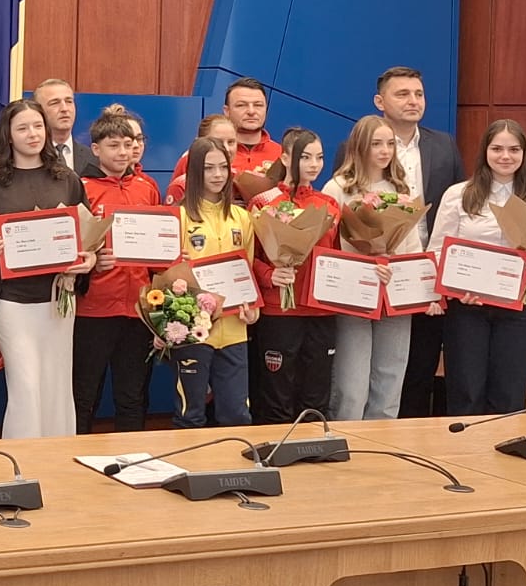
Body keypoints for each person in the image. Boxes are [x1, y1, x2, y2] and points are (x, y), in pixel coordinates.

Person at [338, 68, 465, 419]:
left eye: (418, 94)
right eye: (403, 94)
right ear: (380, 101)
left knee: (410, 369)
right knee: (356, 377)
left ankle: (400, 438)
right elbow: (340, 228)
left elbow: (459, 207)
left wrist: (436, 281)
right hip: (364, 282)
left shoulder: (444, 145)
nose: (413, 101)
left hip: (422, 277)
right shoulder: (348, 162)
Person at [0, 100, 93, 440]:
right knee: (25, 386)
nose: (32, 134)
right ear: (8, 135)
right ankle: (22, 459)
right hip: (13, 302)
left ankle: (57, 457)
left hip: (57, 300)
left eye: (38, 126)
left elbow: (87, 237)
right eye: (23, 128)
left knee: (56, 385)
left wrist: (87, 261)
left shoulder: (68, 180)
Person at [427, 119, 526, 416]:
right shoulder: (458, 194)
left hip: (520, 311)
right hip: (467, 310)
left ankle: (505, 448)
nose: (505, 156)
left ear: (524, 153)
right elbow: (437, 250)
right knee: (466, 393)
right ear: (485, 151)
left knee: (509, 396)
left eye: (514, 149)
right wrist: (454, 289)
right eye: (497, 149)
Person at [321, 116, 422, 421]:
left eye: (390, 144)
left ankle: (382, 441)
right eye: (376, 144)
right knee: (352, 383)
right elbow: (328, 246)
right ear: (359, 146)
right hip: (353, 297)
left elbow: (412, 245)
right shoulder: (338, 188)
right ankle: (346, 437)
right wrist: (365, 266)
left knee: (390, 378)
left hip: (394, 295)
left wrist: (411, 279)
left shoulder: (401, 188)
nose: (385, 150)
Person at [74, 111, 162, 434]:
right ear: (96, 149)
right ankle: (72, 453)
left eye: (129, 143)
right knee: (84, 395)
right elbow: (70, 247)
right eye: (114, 145)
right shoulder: (81, 188)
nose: (123, 152)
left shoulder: (147, 187)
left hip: (138, 310)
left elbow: (158, 248)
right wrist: (93, 260)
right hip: (94, 310)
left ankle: (132, 456)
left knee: (133, 396)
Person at [246, 128, 340, 424]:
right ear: (285, 158)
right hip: (280, 312)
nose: (314, 164)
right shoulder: (263, 203)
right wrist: (269, 275)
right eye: (305, 157)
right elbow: (247, 257)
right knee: (277, 393)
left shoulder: (329, 204)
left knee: (316, 394)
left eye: (319, 157)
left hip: (321, 310)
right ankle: (274, 446)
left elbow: (339, 256)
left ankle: (314, 446)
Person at [173, 136, 259, 427]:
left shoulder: (242, 218)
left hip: (234, 329)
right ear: (194, 172)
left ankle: (234, 459)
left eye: (223, 167)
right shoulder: (179, 217)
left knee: (237, 414)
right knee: (190, 414)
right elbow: (167, 280)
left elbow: (248, 270)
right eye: (209, 168)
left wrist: (253, 309)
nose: (218, 175)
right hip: (193, 330)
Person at [165, 114, 239, 205]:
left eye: (231, 142)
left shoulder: (239, 180)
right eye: (218, 142)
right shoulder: (181, 185)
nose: (226, 148)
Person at [33, 78, 97, 175]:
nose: (64, 108)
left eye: (69, 101)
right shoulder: (30, 157)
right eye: (55, 103)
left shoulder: (94, 158)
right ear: (38, 111)